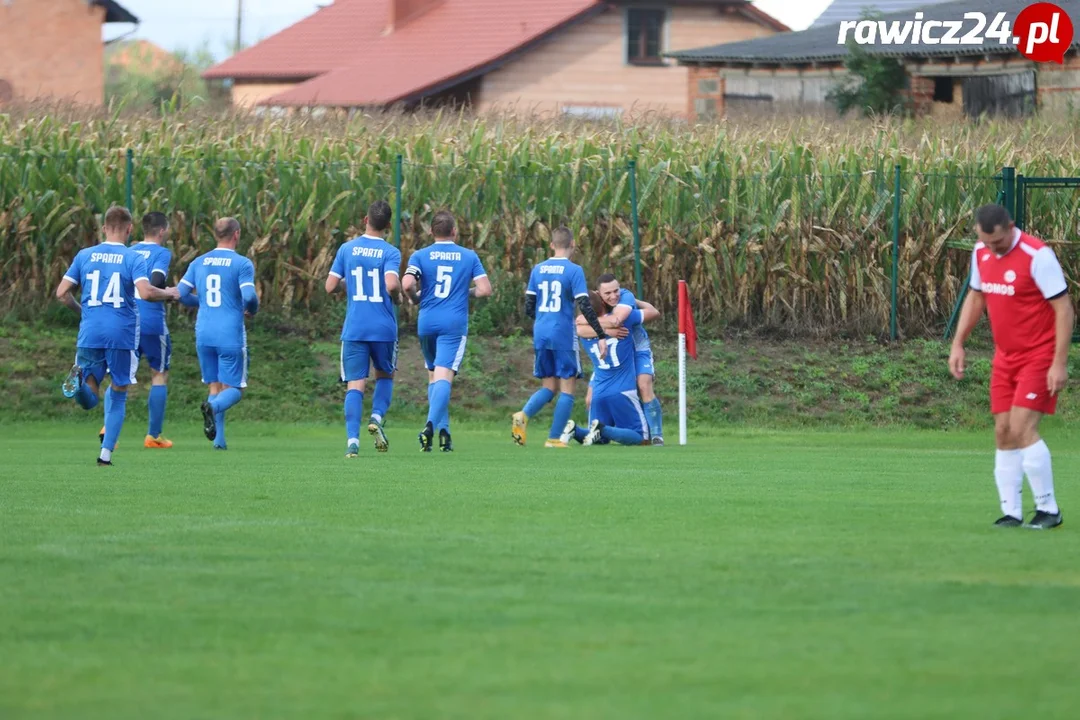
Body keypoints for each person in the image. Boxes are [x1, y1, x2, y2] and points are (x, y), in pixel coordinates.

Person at [949, 203, 1074, 530]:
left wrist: (1059, 363)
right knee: (1003, 432)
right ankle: (1011, 513)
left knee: (1022, 428)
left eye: (999, 243)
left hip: (1039, 355)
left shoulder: (1038, 256)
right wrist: (958, 343)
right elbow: (976, 298)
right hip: (1005, 357)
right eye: (986, 242)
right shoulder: (981, 253)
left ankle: (1049, 510)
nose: (993, 248)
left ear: (1012, 227)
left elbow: (1064, 310)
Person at [56, 206, 179, 465]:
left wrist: (83, 311)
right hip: (121, 333)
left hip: (89, 331)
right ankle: (105, 455)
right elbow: (146, 293)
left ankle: (78, 385)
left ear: (104, 228)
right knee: (119, 389)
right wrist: (170, 293)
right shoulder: (132, 258)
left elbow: (62, 293)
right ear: (129, 229)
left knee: (90, 396)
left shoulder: (84, 255)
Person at [512, 227, 610, 448]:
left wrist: (542, 320)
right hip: (563, 333)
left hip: (541, 332)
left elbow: (529, 306)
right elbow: (585, 304)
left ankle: (523, 416)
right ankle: (554, 438)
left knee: (549, 386)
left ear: (551, 245)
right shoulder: (574, 270)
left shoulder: (537, 269)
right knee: (567, 388)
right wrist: (600, 334)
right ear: (573, 244)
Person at [402, 210, 492, 452]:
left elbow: (407, 283)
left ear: (431, 232)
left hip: (427, 322)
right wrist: (467, 292)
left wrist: (414, 298)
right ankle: (430, 425)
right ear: (454, 231)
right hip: (453, 323)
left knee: (433, 376)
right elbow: (484, 290)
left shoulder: (420, 255)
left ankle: (445, 433)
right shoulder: (468, 256)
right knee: (444, 377)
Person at [325, 200, 402, 457]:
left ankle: (352, 443)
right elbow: (391, 285)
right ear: (388, 225)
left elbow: (330, 286)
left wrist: (351, 287)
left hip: (355, 327)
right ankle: (377, 417)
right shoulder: (391, 252)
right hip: (383, 327)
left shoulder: (347, 249)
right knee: (384, 375)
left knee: (354, 385)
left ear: (364, 220)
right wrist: (398, 296)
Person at [178, 218, 259, 450]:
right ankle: (212, 409)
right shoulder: (242, 263)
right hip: (229, 334)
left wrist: (201, 302)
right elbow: (250, 297)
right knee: (234, 389)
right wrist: (251, 310)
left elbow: (182, 294)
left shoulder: (198, 262)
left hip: (204, 333)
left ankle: (218, 442)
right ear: (236, 234)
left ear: (216, 234)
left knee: (214, 387)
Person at [562, 292, 658, 446]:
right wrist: (634, 300)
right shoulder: (624, 321)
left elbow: (580, 326)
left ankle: (574, 430)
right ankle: (602, 429)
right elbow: (653, 312)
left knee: (599, 440)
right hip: (623, 390)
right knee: (642, 438)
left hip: (598, 391)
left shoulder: (583, 332)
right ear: (602, 302)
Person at [594, 274, 664, 444]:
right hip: (614, 358)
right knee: (598, 395)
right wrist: (608, 330)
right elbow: (580, 326)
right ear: (599, 295)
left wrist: (634, 300)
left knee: (643, 384)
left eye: (616, 291)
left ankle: (656, 435)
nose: (613, 296)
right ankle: (607, 430)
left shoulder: (625, 302)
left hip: (638, 351)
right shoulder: (596, 310)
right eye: (608, 293)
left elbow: (654, 313)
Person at [129, 211, 174, 448]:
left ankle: (108, 429)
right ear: (162, 231)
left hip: (126, 322)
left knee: (120, 377)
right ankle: (154, 436)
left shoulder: (129, 251)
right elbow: (156, 282)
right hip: (152, 322)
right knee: (159, 374)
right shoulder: (161, 253)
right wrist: (170, 293)